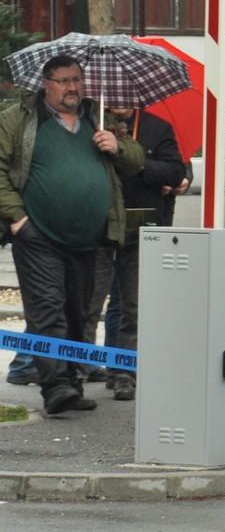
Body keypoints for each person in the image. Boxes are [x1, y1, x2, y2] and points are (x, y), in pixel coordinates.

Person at [0, 56, 148, 415]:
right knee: (48, 312)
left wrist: (117, 145)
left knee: (81, 313)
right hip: (39, 238)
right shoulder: (18, 120)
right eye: (64, 80)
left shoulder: (98, 118)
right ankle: (55, 387)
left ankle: (73, 381)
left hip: (93, 239)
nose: (72, 88)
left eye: (77, 80)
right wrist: (18, 220)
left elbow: (136, 161)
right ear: (45, 84)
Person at [83, 105, 188, 401]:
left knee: (134, 305)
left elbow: (176, 170)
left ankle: (124, 372)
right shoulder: (89, 124)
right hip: (99, 226)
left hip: (143, 228)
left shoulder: (157, 127)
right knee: (88, 303)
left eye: (127, 97)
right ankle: (75, 371)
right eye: (115, 96)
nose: (121, 102)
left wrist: (139, 163)